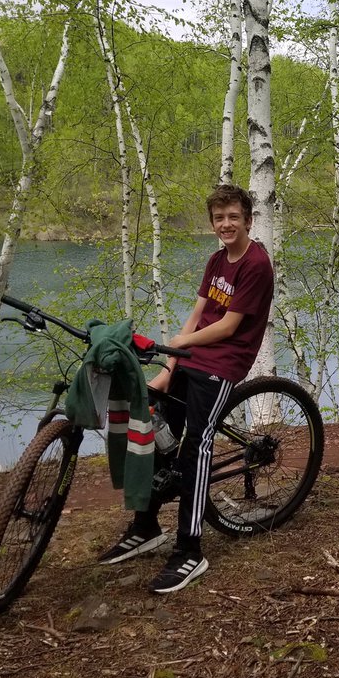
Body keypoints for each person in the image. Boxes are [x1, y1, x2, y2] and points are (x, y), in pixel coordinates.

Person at [97, 184, 274, 594]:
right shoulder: (216, 259)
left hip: (225, 363)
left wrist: (180, 346)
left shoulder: (256, 264)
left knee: (197, 445)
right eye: (219, 218)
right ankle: (145, 526)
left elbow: (229, 327)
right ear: (212, 222)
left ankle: (190, 550)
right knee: (153, 431)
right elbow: (195, 317)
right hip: (193, 357)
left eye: (233, 216)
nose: (226, 224)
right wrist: (169, 368)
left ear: (248, 219)